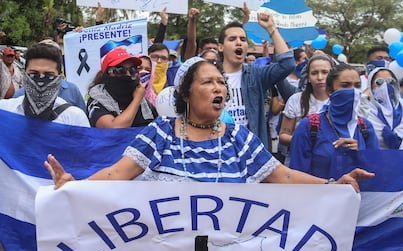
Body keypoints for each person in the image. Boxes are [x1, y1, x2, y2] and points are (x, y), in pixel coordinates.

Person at [45, 60, 373, 191]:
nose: (219, 87)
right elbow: (119, 173)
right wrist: (75, 187)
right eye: (208, 82)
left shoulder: (238, 138)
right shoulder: (160, 133)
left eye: (221, 82)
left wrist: (332, 185)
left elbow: (281, 175)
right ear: (187, 94)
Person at [0, 42, 90, 251]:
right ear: (23, 75)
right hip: (16, 222)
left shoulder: (73, 116)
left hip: (55, 223)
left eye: (48, 76)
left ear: (60, 78)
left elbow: (87, 166)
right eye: (33, 75)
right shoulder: (5, 113)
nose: (40, 81)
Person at [288, 63, 380, 251]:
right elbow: (295, 174)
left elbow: (377, 174)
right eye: (345, 86)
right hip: (318, 220)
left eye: (357, 86)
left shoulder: (365, 127)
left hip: (357, 220)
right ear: (330, 90)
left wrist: (360, 154)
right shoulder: (311, 126)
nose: (352, 92)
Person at [218, 13, 295, 149]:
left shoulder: (256, 74)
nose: (239, 42)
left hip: (251, 152)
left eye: (243, 39)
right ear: (221, 47)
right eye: (232, 39)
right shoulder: (210, 76)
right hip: (219, 148)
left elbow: (287, 64)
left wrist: (271, 29)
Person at [278, 54, 335, 165]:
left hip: (331, 160)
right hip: (299, 158)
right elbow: (283, 135)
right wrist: (304, 140)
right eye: (314, 73)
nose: (320, 77)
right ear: (308, 77)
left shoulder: (339, 100)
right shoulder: (296, 99)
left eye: (325, 72)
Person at [87, 47, 157, 128]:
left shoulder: (145, 102)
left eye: (132, 70)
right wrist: (137, 100)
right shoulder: (98, 100)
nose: (128, 74)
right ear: (107, 73)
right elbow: (114, 128)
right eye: (120, 70)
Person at [13, 39, 87, 113]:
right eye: (34, 73)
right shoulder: (19, 96)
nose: (41, 78)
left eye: (48, 74)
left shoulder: (72, 90)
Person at [366, 67, 403, 150]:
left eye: (390, 81)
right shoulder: (366, 108)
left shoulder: (401, 105)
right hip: (375, 158)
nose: (385, 85)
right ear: (371, 85)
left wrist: (401, 144)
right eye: (379, 82)